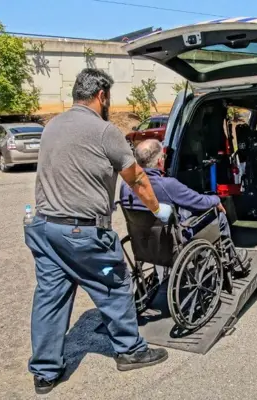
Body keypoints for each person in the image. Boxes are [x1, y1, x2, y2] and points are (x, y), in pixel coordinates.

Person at [24, 68, 171, 395]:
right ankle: (130, 350)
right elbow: (137, 178)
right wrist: (157, 209)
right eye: (109, 98)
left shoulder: (52, 126)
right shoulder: (105, 132)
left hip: (45, 230)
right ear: (101, 96)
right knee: (114, 282)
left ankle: (45, 371)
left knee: (51, 296)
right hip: (83, 235)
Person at [120, 139, 247, 262]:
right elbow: (198, 202)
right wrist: (216, 199)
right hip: (173, 242)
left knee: (181, 212)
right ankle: (231, 259)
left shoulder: (125, 186)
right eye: (163, 157)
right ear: (159, 161)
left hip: (145, 243)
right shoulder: (167, 185)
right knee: (218, 215)